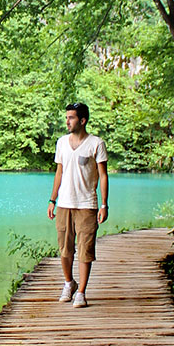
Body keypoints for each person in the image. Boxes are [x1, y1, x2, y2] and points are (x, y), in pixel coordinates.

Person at [47, 102, 108, 308]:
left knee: (85, 249)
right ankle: (68, 283)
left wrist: (104, 205)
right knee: (65, 249)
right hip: (64, 203)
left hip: (87, 204)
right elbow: (59, 172)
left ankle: (81, 291)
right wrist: (52, 200)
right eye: (66, 117)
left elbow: (103, 175)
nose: (67, 121)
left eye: (71, 118)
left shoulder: (96, 143)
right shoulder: (62, 143)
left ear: (82, 120)